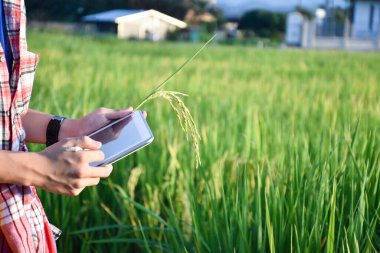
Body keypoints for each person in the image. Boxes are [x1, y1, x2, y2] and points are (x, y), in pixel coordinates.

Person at [0, 0, 138, 252]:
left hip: (17, 225)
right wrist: (39, 168)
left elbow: (8, 112)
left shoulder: (12, 5)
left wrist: (69, 128)